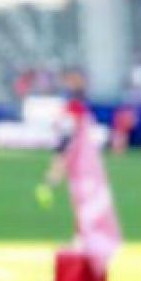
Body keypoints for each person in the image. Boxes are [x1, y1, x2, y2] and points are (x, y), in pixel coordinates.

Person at [35, 72, 92, 208]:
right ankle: (46, 187)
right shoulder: (77, 106)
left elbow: (59, 120)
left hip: (64, 138)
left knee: (60, 166)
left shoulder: (70, 105)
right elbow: (77, 124)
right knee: (63, 167)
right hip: (69, 139)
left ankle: (46, 187)